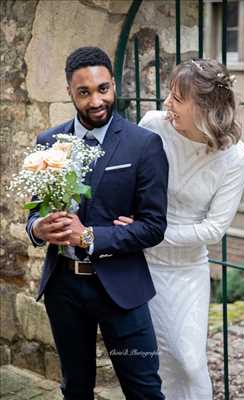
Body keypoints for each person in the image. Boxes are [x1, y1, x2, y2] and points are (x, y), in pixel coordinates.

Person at [26, 46, 169, 400]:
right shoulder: (48, 142)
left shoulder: (144, 144)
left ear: (114, 84)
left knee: (145, 390)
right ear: (69, 92)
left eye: (103, 89)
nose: (96, 101)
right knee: (75, 388)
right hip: (64, 289)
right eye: (84, 92)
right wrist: (37, 229)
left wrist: (89, 236)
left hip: (122, 290)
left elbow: (153, 226)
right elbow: (33, 212)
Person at [114, 59, 244, 400]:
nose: (167, 104)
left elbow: (214, 229)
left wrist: (153, 231)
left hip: (188, 269)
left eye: (177, 98)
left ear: (204, 107)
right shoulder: (153, 126)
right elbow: (129, 181)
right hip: (141, 265)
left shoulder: (237, 157)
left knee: (189, 361)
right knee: (149, 358)